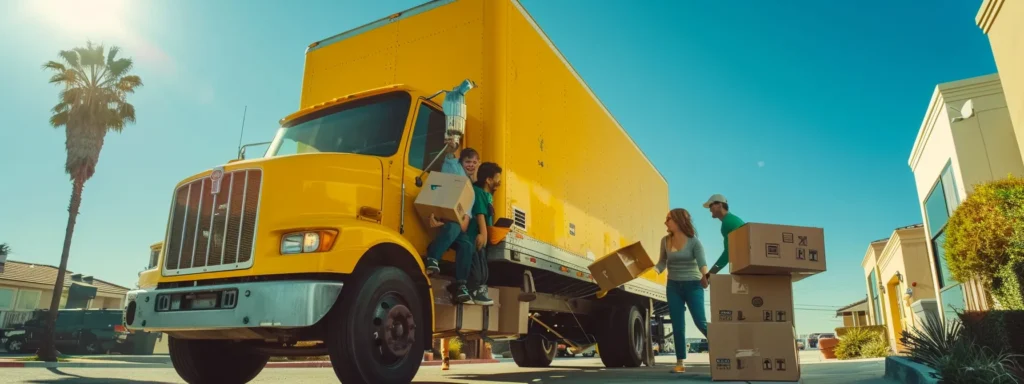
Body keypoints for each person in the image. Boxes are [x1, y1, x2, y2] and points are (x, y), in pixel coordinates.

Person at [654, 208, 709, 373]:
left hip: (693, 285)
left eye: (668, 219)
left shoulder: (694, 242)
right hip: (673, 286)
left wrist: (706, 276)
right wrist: (651, 270)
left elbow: (702, 263)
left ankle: (721, 351)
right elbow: (662, 263)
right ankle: (680, 363)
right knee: (678, 325)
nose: (665, 222)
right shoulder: (665, 241)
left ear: (678, 221)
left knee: (701, 322)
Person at [424, 138, 480, 277]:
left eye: (474, 162)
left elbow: (465, 224)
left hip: (453, 223)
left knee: (467, 244)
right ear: (461, 162)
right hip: (439, 211)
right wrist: (452, 147)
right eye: (468, 162)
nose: (471, 165)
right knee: (454, 227)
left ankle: (461, 285)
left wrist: (452, 220)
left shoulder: (471, 192)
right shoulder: (454, 168)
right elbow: (449, 157)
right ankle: (432, 258)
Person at [460, 161, 502, 306]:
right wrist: (484, 235)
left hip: (480, 240)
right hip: (474, 238)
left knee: (483, 270)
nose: (499, 182)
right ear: (488, 180)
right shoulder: (478, 193)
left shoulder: (487, 195)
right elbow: (480, 215)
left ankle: (477, 292)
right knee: (477, 271)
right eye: (497, 178)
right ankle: (472, 291)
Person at [703, 193, 746, 277]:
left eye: (711, 205)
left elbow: (728, 253)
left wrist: (710, 274)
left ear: (719, 205)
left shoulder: (727, 223)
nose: (710, 209)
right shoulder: (732, 219)